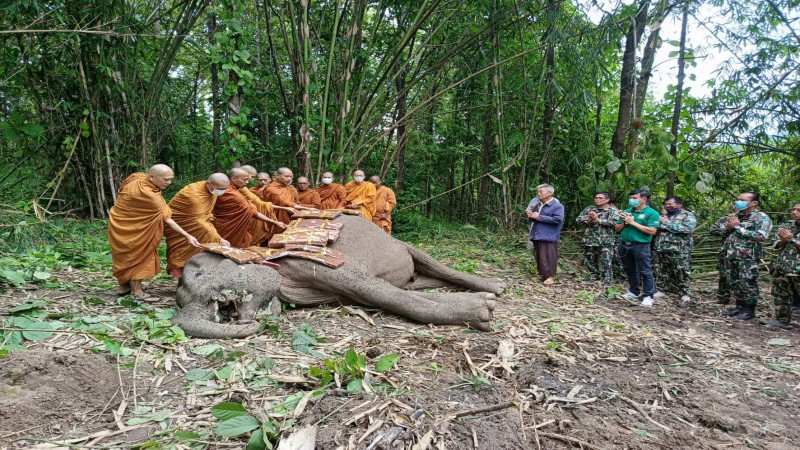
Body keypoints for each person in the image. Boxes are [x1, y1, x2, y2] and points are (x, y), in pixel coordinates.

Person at [108, 164, 200, 301]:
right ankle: (138, 293)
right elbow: (168, 219)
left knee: (125, 257)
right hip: (134, 231)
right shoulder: (151, 196)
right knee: (138, 257)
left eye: (171, 179)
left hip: (119, 225)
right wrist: (187, 235)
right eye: (166, 179)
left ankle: (124, 286)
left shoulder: (135, 178)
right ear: (151, 177)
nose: (169, 183)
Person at [710, 192, 772, 320]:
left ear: (754, 203)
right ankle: (739, 307)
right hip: (730, 255)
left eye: (742, 200)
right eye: (737, 199)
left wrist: (738, 227)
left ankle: (749, 310)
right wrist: (729, 227)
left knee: (747, 283)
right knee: (735, 282)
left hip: (748, 257)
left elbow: (761, 236)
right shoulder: (733, 216)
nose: (738, 202)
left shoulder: (760, 217)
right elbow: (714, 231)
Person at [165, 173, 231, 278]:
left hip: (198, 222)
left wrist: (208, 217)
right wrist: (219, 238)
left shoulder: (211, 190)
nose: (222, 191)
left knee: (206, 241)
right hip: (181, 225)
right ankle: (182, 271)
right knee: (184, 249)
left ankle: (197, 270)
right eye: (220, 188)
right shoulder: (194, 195)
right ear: (208, 184)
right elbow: (198, 221)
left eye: (225, 189)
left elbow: (205, 214)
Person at [213, 168, 286, 247]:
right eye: (244, 180)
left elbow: (252, 208)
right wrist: (275, 222)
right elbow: (253, 212)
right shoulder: (232, 194)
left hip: (233, 228)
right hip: (227, 228)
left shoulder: (235, 191)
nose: (247, 182)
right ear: (233, 178)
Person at [615, 189, 660, 307]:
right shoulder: (627, 211)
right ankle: (633, 291)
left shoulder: (652, 213)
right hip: (624, 244)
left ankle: (648, 296)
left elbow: (652, 231)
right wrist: (625, 223)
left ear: (644, 199)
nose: (632, 200)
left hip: (641, 245)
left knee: (645, 271)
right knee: (629, 270)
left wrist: (632, 222)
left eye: (635, 198)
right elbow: (617, 229)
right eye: (631, 198)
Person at [760, 202, 800, 330]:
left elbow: (792, 240)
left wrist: (792, 240)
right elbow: (774, 245)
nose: (794, 212)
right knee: (780, 294)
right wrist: (784, 240)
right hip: (783, 266)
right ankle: (782, 320)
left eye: (798, 210)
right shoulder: (787, 225)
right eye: (793, 209)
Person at [653, 196, 697, 304]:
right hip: (661, 247)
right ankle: (662, 290)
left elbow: (686, 229)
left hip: (680, 249)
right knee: (661, 270)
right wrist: (663, 220)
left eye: (670, 204)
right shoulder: (663, 215)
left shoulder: (687, 215)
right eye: (666, 204)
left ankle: (684, 293)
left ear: (679, 205)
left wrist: (666, 223)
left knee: (681, 271)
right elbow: (655, 228)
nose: (667, 206)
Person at [575, 192, 620, 286]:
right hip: (590, 239)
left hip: (606, 241)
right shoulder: (589, 209)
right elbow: (578, 219)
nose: (597, 200)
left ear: (607, 200)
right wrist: (588, 219)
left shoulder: (612, 211)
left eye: (600, 198)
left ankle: (607, 278)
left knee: (606, 260)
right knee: (590, 259)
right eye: (596, 198)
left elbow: (614, 223)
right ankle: (593, 275)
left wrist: (598, 220)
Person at [241, 165, 294, 244]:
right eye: (252, 177)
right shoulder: (227, 189)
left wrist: (284, 209)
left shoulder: (243, 189)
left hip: (258, 216)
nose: (252, 180)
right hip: (238, 221)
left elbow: (260, 204)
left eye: (290, 176)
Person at [526, 184, 565, 285]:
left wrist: (539, 217)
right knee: (539, 256)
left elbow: (558, 219)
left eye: (541, 192)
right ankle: (543, 275)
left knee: (549, 256)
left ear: (550, 193)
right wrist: (531, 216)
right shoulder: (538, 205)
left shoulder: (557, 206)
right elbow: (534, 217)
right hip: (537, 234)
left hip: (549, 235)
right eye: (538, 192)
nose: (538, 194)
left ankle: (551, 276)